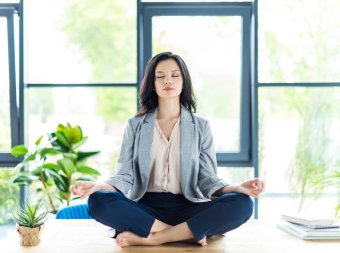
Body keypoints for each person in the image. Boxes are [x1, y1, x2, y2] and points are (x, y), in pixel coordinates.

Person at [71, 52, 265, 247]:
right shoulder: (135, 125)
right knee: (98, 201)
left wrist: (236, 188)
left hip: (188, 206)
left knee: (243, 203)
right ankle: (187, 233)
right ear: (152, 84)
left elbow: (207, 179)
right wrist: (98, 187)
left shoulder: (201, 126)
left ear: (184, 81)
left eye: (174, 75)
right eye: (160, 76)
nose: (167, 81)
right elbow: (124, 175)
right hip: (146, 207)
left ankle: (156, 237)